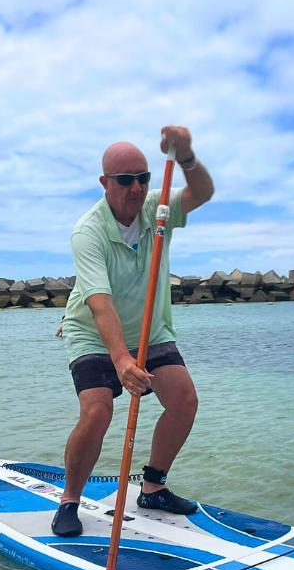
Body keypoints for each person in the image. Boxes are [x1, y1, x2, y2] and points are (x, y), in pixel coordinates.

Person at [52, 125, 214, 537]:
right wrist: (121, 359)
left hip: (150, 329)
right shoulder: (87, 231)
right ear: (105, 183)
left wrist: (187, 157)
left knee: (184, 400)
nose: (137, 187)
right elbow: (99, 302)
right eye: (126, 180)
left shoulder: (157, 210)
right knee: (98, 411)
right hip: (93, 332)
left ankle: (153, 485)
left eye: (143, 177)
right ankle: (70, 499)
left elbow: (202, 194)